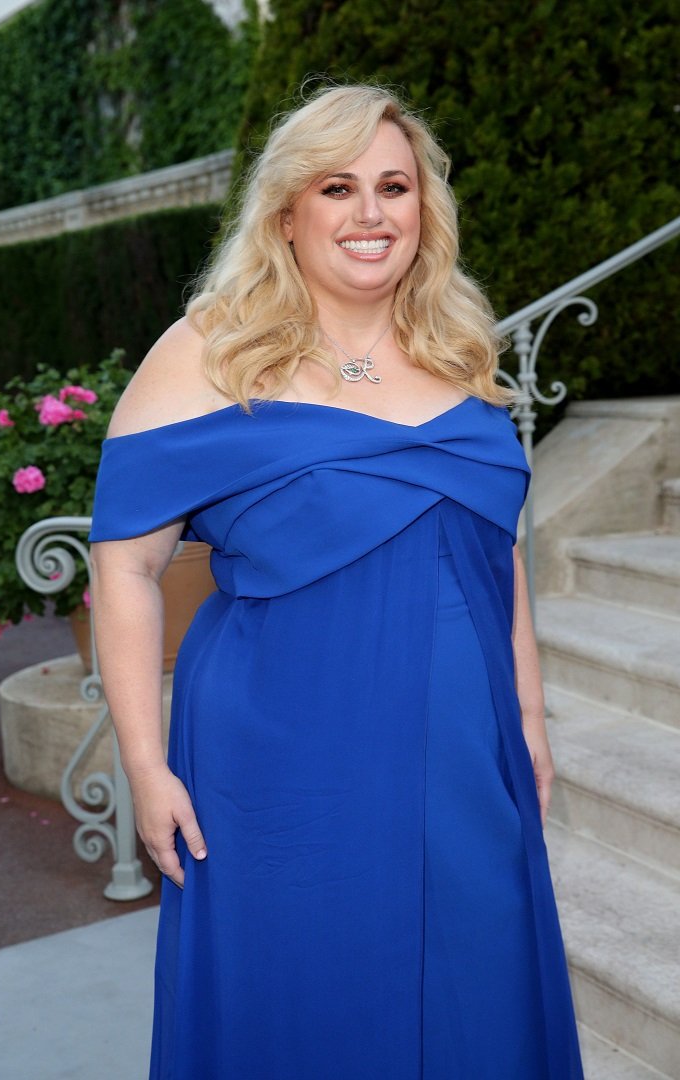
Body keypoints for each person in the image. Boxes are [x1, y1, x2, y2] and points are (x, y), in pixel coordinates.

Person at [88, 83, 584, 1079]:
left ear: (423, 210)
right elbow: (127, 567)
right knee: (302, 1001)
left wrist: (527, 719)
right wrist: (145, 766)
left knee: (473, 995)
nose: (371, 213)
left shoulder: (461, 350)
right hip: (279, 758)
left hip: (463, 746)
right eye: (338, 187)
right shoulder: (209, 353)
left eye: (394, 187)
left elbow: (500, 549)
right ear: (287, 212)